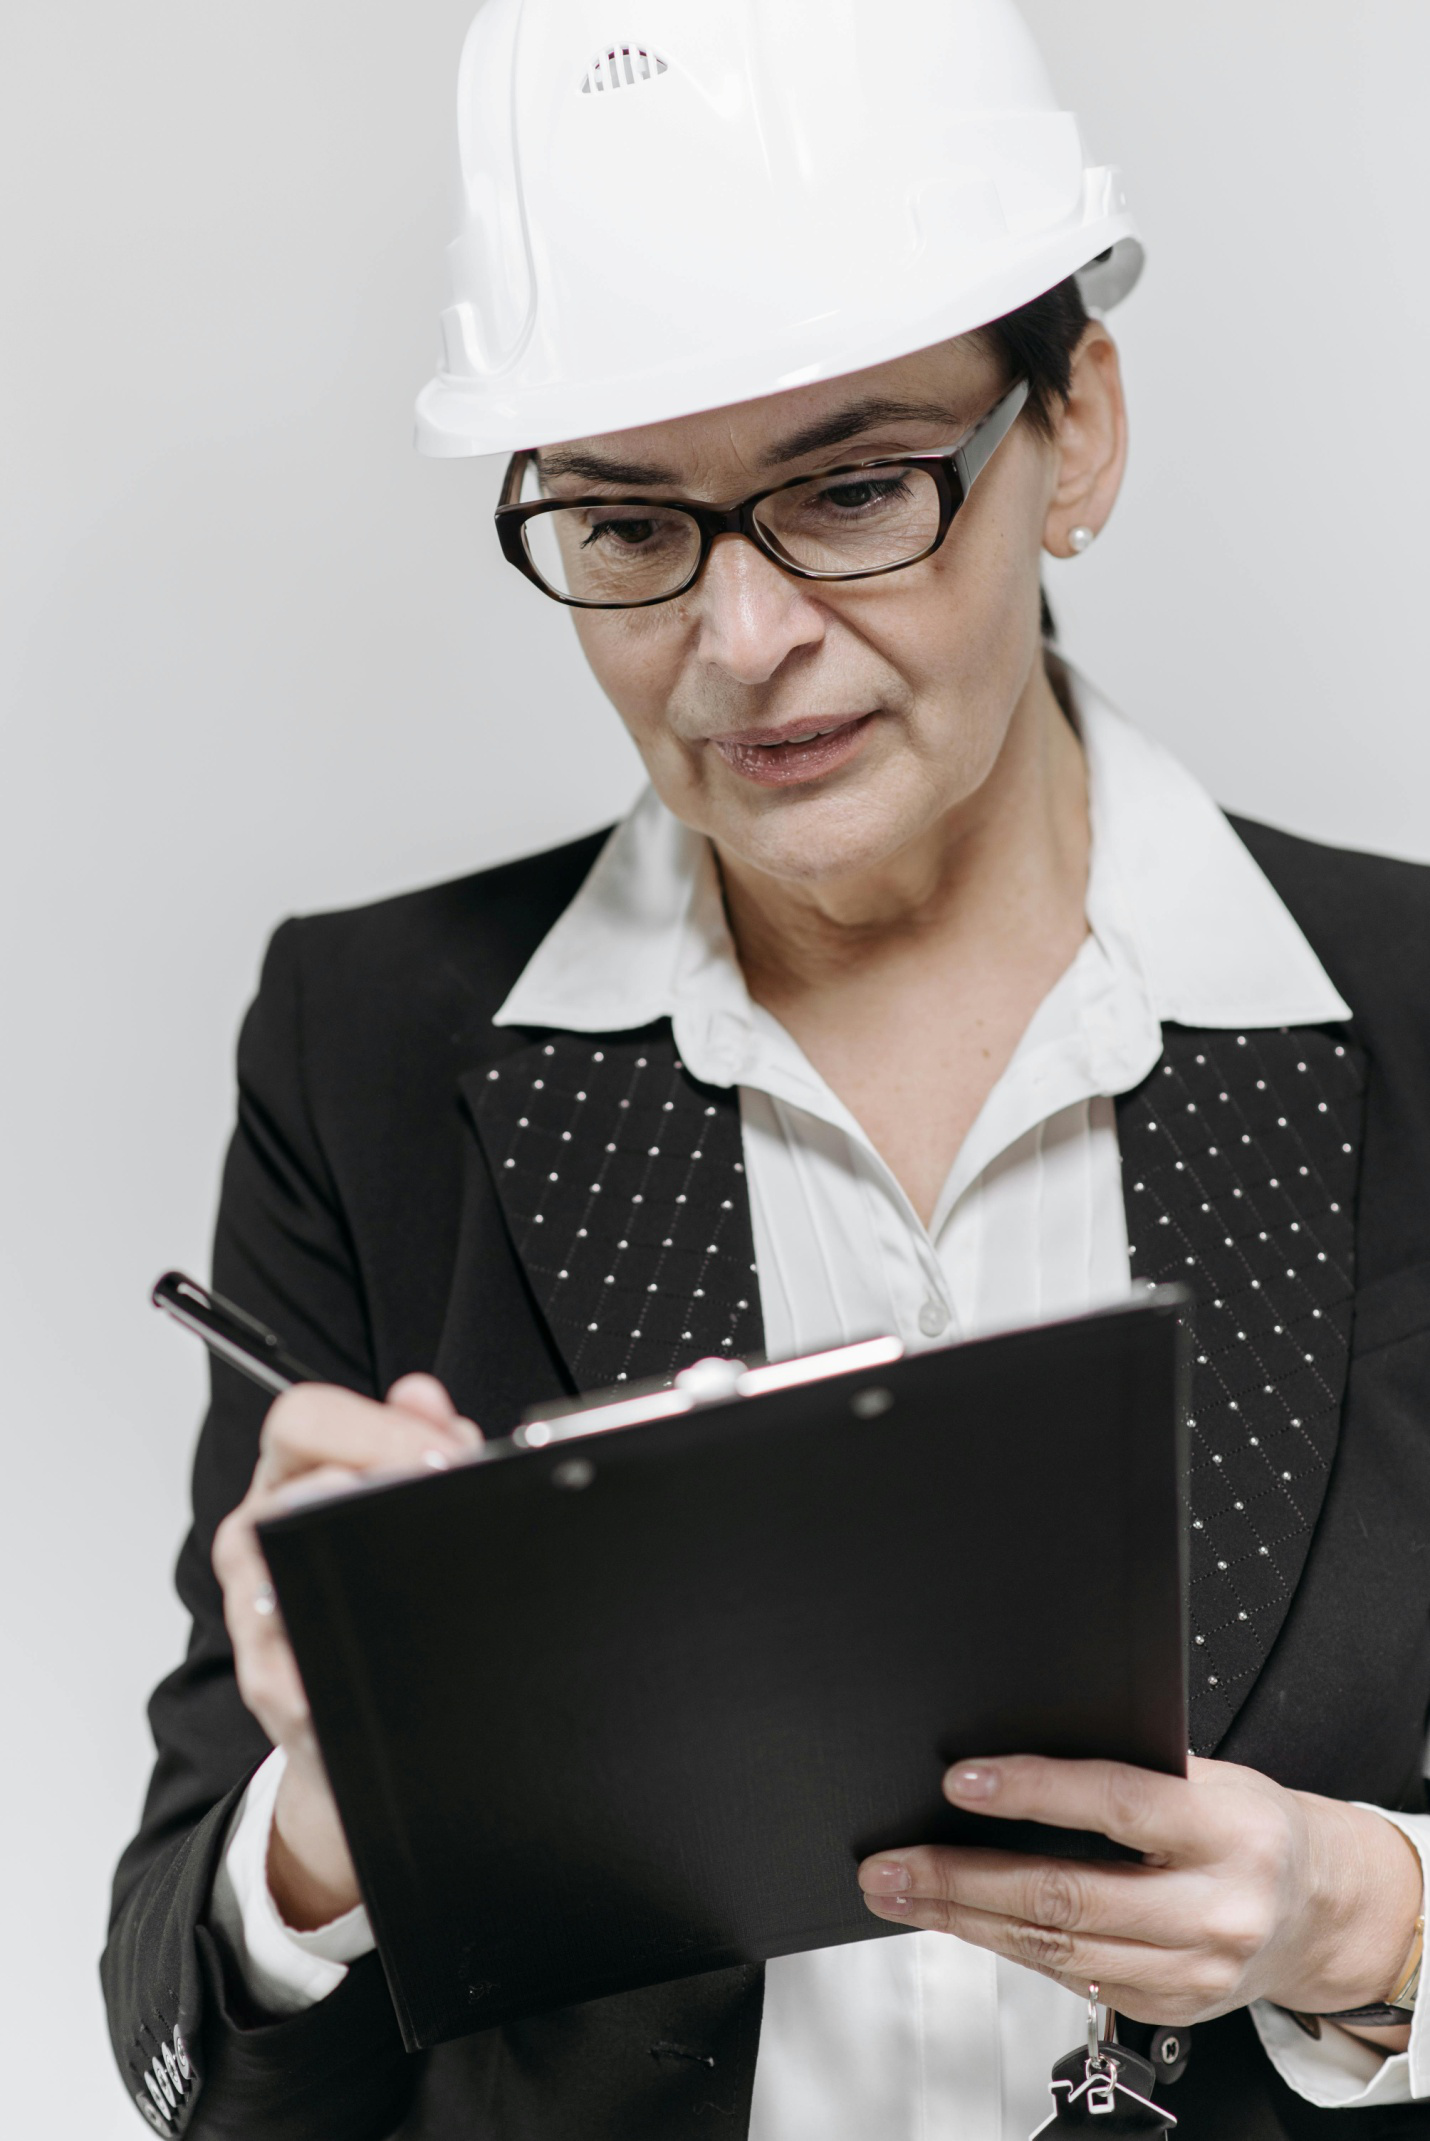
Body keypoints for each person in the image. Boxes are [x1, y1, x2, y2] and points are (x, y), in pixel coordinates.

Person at [104, 2, 1430, 2135]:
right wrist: (335, 1826)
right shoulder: (374, 1058)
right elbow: (197, 2057)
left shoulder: (1413, 1022)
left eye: (850, 488)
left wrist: (1371, 1926)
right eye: (628, 527)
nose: (740, 642)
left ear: (1074, 424)